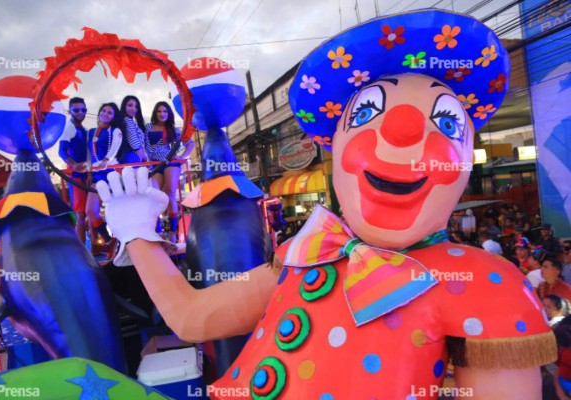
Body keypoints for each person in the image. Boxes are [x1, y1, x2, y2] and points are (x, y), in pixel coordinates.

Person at [96, 9, 555, 399]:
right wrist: (138, 234)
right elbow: (193, 318)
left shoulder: (483, 282)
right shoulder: (303, 254)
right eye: (366, 112)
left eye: (445, 122)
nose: (402, 133)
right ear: (335, 145)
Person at [145, 101, 194, 242]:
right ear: (155, 113)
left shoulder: (173, 129)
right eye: (159, 111)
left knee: (170, 193)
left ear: (169, 114)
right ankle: (158, 229)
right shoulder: (148, 127)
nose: (162, 114)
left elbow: (190, 143)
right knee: (153, 194)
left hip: (171, 163)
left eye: (165, 111)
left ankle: (173, 231)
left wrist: (182, 156)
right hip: (155, 164)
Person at [86, 103, 123, 257]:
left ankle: (121, 244)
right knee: (90, 210)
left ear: (114, 116)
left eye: (110, 112)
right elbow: (88, 152)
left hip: (111, 171)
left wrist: (106, 160)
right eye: (104, 111)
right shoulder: (90, 132)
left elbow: (115, 146)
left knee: (114, 210)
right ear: (99, 112)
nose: (106, 114)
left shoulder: (115, 130)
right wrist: (89, 170)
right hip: (95, 173)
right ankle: (109, 240)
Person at [58, 97, 89, 243]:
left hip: (87, 174)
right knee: (80, 214)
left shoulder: (84, 129)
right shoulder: (68, 127)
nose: (80, 112)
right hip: (76, 175)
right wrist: (74, 164)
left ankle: (95, 246)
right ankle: (82, 251)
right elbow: (62, 151)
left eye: (83, 110)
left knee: (90, 211)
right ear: (70, 111)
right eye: (76, 110)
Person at [119, 95, 148, 165]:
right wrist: (144, 159)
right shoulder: (127, 121)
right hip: (132, 158)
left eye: (136, 107)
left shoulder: (127, 121)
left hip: (131, 157)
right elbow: (135, 143)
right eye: (130, 105)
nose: (133, 109)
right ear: (124, 107)